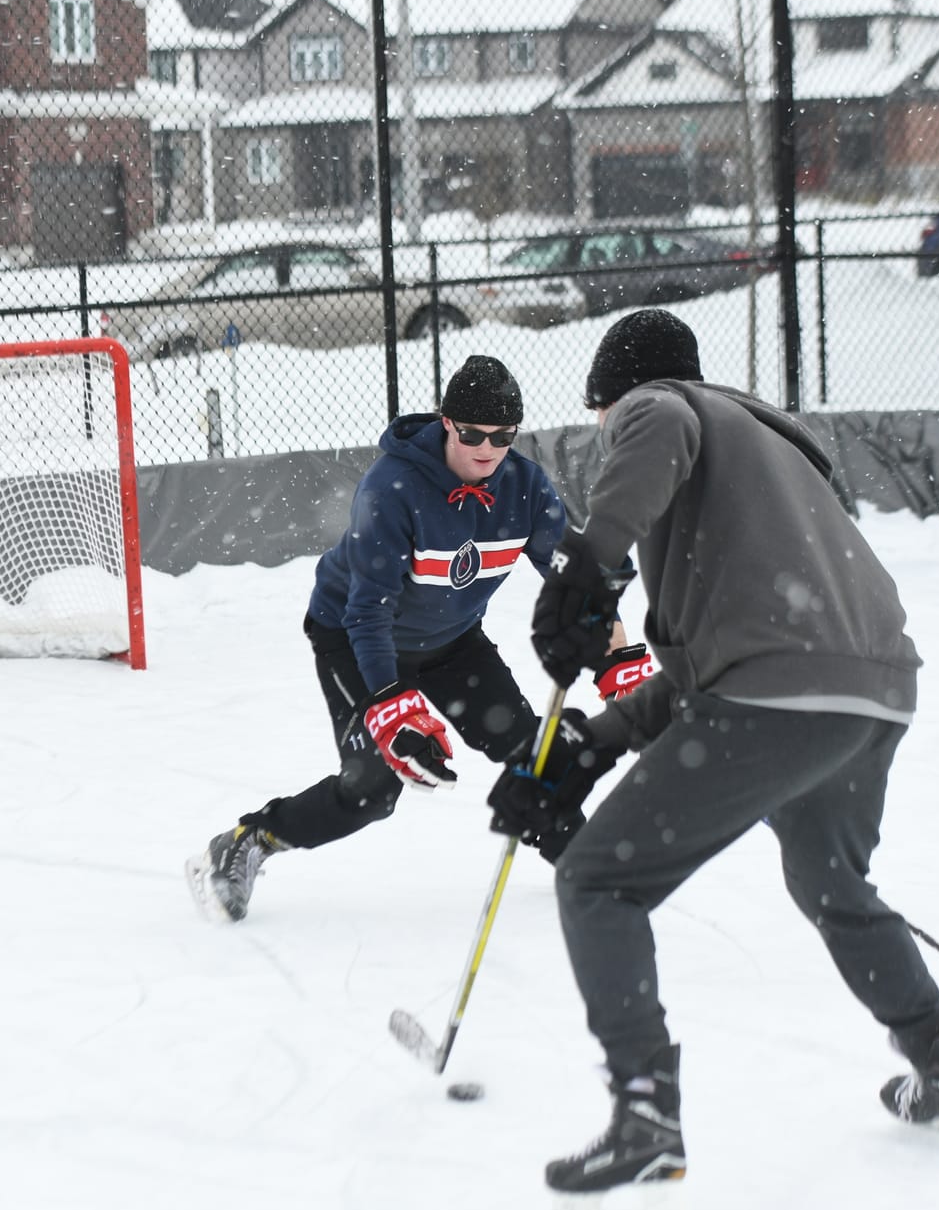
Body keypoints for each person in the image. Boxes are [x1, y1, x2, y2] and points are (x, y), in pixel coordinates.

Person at [487, 309, 939, 1210]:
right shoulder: (780, 461)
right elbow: (706, 671)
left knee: (600, 880)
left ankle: (647, 1122)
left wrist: (585, 565)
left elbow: (659, 438)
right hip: (874, 694)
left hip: (780, 693)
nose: (609, 434)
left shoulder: (665, 407)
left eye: (603, 416)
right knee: (833, 883)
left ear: (621, 398)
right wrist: (590, 745)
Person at [187, 354, 648, 922]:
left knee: (534, 752)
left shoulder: (524, 488)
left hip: (451, 643)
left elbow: (576, 582)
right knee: (374, 790)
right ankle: (249, 840)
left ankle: (583, 864)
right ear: (446, 422)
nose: (488, 447)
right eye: (473, 432)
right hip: (354, 639)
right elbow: (366, 611)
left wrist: (618, 659)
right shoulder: (393, 488)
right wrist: (390, 703)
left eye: (503, 435)